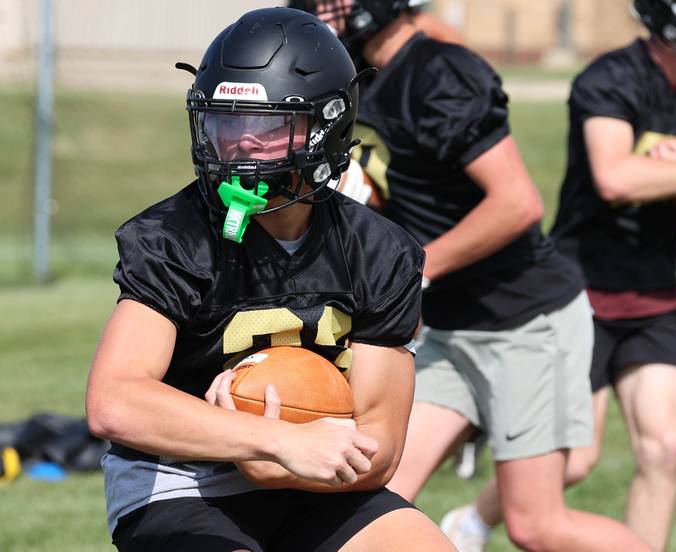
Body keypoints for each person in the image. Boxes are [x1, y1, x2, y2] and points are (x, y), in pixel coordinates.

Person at [85, 8, 457, 552]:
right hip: (183, 483)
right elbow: (114, 401)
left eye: (266, 125)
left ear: (326, 127)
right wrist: (272, 441)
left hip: (321, 478)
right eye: (226, 122)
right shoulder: (176, 236)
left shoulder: (379, 252)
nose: (241, 143)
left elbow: (379, 443)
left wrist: (288, 460)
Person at [292, 2, 652, 551]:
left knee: (538, 526)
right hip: (449, 329)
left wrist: (410, 273)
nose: (318, 11)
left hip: (524, 323)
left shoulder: (438, 72)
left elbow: (516, 203)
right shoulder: (360, 78)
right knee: (363, 502)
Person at [443, 1, 676, 550]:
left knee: (664, 445)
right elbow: (614, 176)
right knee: (574, 461)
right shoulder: (610, 78)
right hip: (578, 293)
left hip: (655, 297)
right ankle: (471, 522)